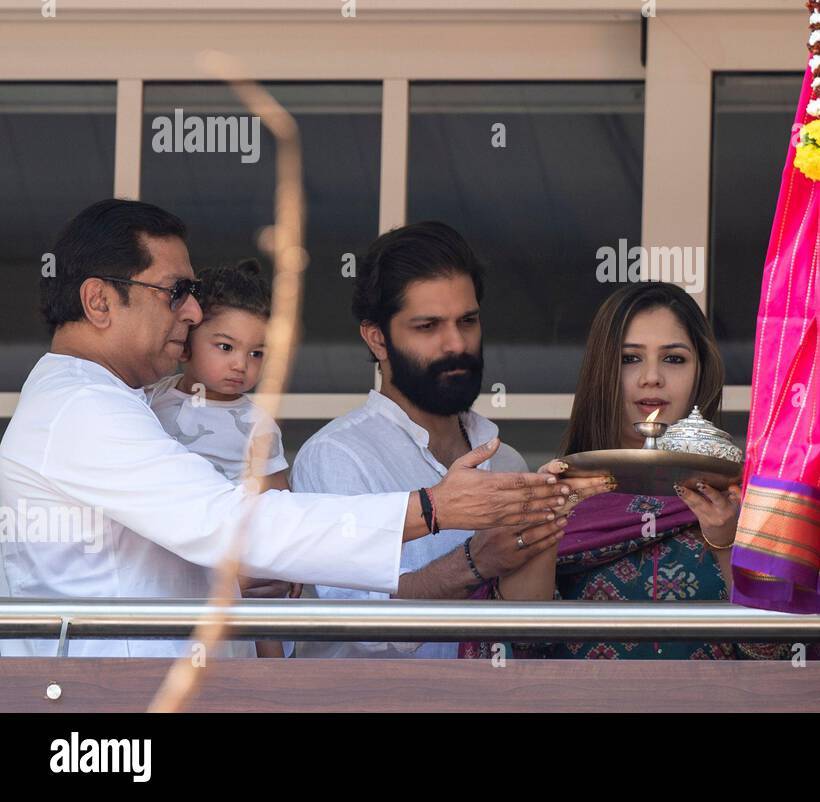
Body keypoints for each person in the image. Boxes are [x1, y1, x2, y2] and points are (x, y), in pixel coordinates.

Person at [0, 199, 583, 658]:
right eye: (176, 291)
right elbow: (231, 524)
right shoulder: (81, 407)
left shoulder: (114, 399)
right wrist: (432, 508)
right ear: (99, 301)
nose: (195, 312)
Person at [292, 221, 613, 660]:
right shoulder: (336, 456)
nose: (456, 343)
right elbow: (360, 623)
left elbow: (525, 632)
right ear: (377, 338)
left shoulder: (507, 460)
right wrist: (475, 561)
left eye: (468, 320)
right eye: (428, 326)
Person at [487, 281, 792, 660]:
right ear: (603, 371)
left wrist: (727, 539)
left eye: (674, 359)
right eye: (630, 358)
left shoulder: (741, 497)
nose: (652, 377)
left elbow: (774, 653)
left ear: (701, 372)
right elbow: (524, 644)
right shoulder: (560, 491)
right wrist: (548, 518)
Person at [146, 257, 297, 658]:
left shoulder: (257, 423)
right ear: (188, 341)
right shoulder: (146, 403)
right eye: (226, 347)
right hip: (160, 585)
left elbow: (277, 508)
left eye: (257, 354)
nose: (240, 365)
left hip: (235, 587)